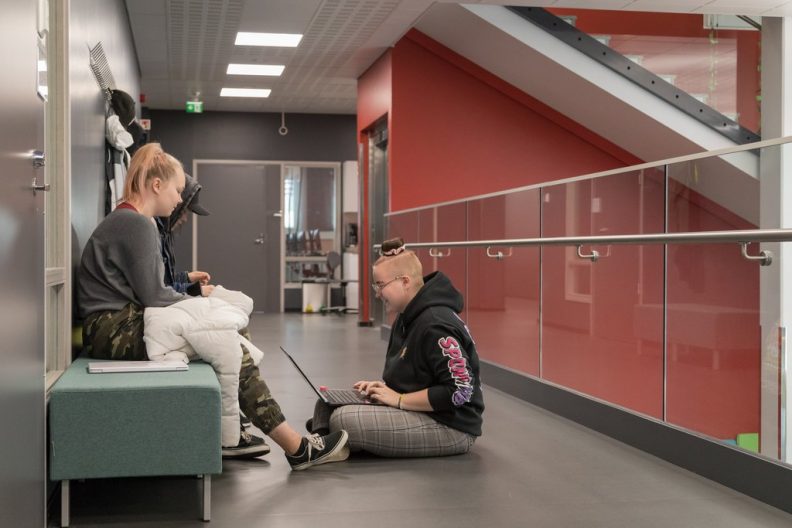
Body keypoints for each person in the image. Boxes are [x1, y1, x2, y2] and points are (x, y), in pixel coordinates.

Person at [77, 142, 349, 470]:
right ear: (157, 185)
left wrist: (203, 304)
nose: (179, 199)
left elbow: (153, 292)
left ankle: (238, 432)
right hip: (112, 330)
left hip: (116, 325)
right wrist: (205, 305)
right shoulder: (136, 223)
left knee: (226, 336)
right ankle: (294, 446)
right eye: (177, 190)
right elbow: (156, 295)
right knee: (226, 340)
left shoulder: (130, 219)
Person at [308, 237, 484, 457]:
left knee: (344, 420)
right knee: (326, 402)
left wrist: (399, 399)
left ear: (405, 281)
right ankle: (322, 446)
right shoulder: (406, 316)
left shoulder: (435, 324)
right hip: (420, 411)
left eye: (381, 285)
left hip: (451, 427)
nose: (377, 293)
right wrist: (384, 389)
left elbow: (460, 391)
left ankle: (327, 443)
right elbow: (418, 374)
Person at [155, 173, 211, 297]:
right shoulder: (152, 231)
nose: (185, 218)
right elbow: (156, 292)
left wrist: (186, 277)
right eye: (184, 211)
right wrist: (195, 290)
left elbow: (163, 281)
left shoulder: (164, 234)